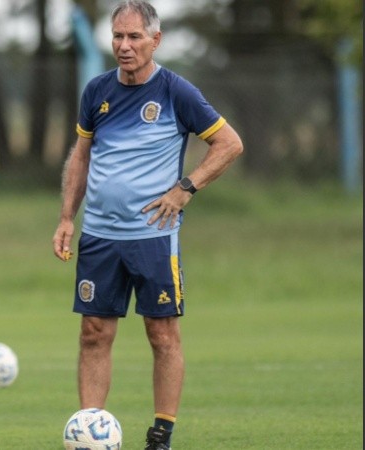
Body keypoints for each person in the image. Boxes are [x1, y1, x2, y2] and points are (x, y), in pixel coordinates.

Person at [51, 1, 243, 449]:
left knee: (162, 333)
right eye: (118, 36)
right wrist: (66, 218)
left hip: (153, 237)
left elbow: (229, 144)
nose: (124, 45)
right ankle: (89, 435)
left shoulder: (177, 92)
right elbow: (81, 157)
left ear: (155, 40)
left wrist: (184, 189)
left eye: (134, 37)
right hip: (99, 235)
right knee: (93, 333)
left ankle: (161, 435)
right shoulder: (96, 91)